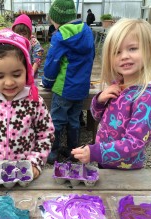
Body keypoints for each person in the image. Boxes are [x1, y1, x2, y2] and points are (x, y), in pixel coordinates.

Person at [71, 18, 151, 169]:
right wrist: (99, 100)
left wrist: (95, 152)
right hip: (107, 164)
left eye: (132, 49)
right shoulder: (119, 85)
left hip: (126, 171)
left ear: (149, 50)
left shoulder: (148, 97)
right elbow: (96, 116)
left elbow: (134, 143)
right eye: (117, 52)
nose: (124, 56)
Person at [0, 28, 55, 181]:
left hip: (27, 175)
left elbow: (45, 135)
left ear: (27, 71)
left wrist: (35, 162)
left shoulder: (34, 102)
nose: (9, 82)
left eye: (16, 74)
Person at [42, 0, 95, 164]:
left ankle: (53, 151)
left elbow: (52, 62)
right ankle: (74, 151)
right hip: (81, 88)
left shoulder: (60, 36)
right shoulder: (86, 31)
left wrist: (47, 82)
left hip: (64, 88)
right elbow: (91, 58)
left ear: (56, 19)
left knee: (57, 120)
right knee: (74, 119)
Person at [12, 14, 44, 78]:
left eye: (24, 34)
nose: (21, 36)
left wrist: (31, 74)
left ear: (29, 33)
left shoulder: (34, 43)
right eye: (18, 34)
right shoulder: (13, 41)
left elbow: (37, 60)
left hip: (30, 73)